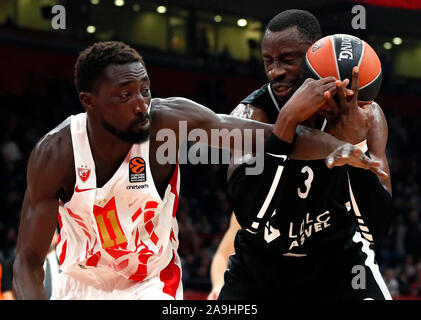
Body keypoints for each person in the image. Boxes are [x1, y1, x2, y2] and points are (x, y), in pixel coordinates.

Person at [12, 40, 377, 300]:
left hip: (151, 281)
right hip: (80, 283)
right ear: (89, 103)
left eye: (145, 89)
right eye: (126, 95)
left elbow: (260, 138)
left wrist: (339, 146)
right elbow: (27, 261)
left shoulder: (167, 122)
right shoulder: (56, 154)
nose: (142, 104)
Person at [215, 9, 393, 300]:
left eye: (287, 60)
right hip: (260, 271)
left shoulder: (366, 115)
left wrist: (352, 143)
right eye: (268, 61)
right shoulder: (252, 114)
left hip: (337, 265)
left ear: (314, 56)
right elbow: (249, 215)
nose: (275, 72)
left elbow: (377, 228)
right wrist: (285, 123)